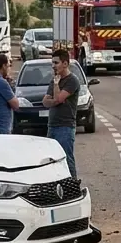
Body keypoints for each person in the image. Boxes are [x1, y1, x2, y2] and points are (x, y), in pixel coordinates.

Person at [42, 49, 81, 180]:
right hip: (52, 125)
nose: (53, 66)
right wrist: (55, 100)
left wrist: (57, 86)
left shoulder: (72, 81)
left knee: (66, 158)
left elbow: (58, 98)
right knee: (51, 160)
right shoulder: (53, 80)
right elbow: (45, 102)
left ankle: (73, 185)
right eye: (52, 63)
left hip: (65, 126)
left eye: (56, 63)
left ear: (65, 63)